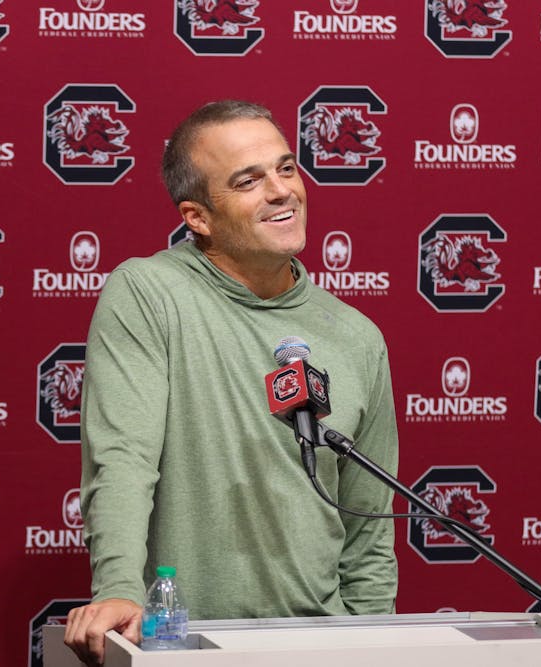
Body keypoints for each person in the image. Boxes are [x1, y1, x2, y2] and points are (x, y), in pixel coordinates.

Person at [64, 100, 399, 665]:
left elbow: (368, 533)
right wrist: (117, 588)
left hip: (322, 646)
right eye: (249, 180)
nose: (280, 191)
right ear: (197, 216)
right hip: (186, 644)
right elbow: (122, 457)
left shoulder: (356, 336)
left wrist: (374, 646)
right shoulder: (148, 294)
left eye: (286, 168)